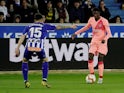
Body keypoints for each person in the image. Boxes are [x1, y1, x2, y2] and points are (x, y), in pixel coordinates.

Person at [15, 13, 76, 88]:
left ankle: (26, 81)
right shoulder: (44, 25)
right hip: (39, 47)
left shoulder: (28, 26)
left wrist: (17, 47)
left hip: (29, 46)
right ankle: (44, 80)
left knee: (25, 60)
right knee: (45, 60)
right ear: (41, 19)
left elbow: (22, 37)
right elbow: (59, 27)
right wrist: (70, 26)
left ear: (34, 19)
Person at [72, 8, 112, 84]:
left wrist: (105, 38)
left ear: (99, 13)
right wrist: (76, 33)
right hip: (94, 41)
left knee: (100, 57)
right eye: (94, 13)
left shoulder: (104, 21)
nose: (95, 15)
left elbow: (109, 33)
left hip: (102, 42)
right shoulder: (91, 19)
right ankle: (92, 74)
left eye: (96, 13)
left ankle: (100, 77)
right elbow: (86, 28)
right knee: (90, 56)